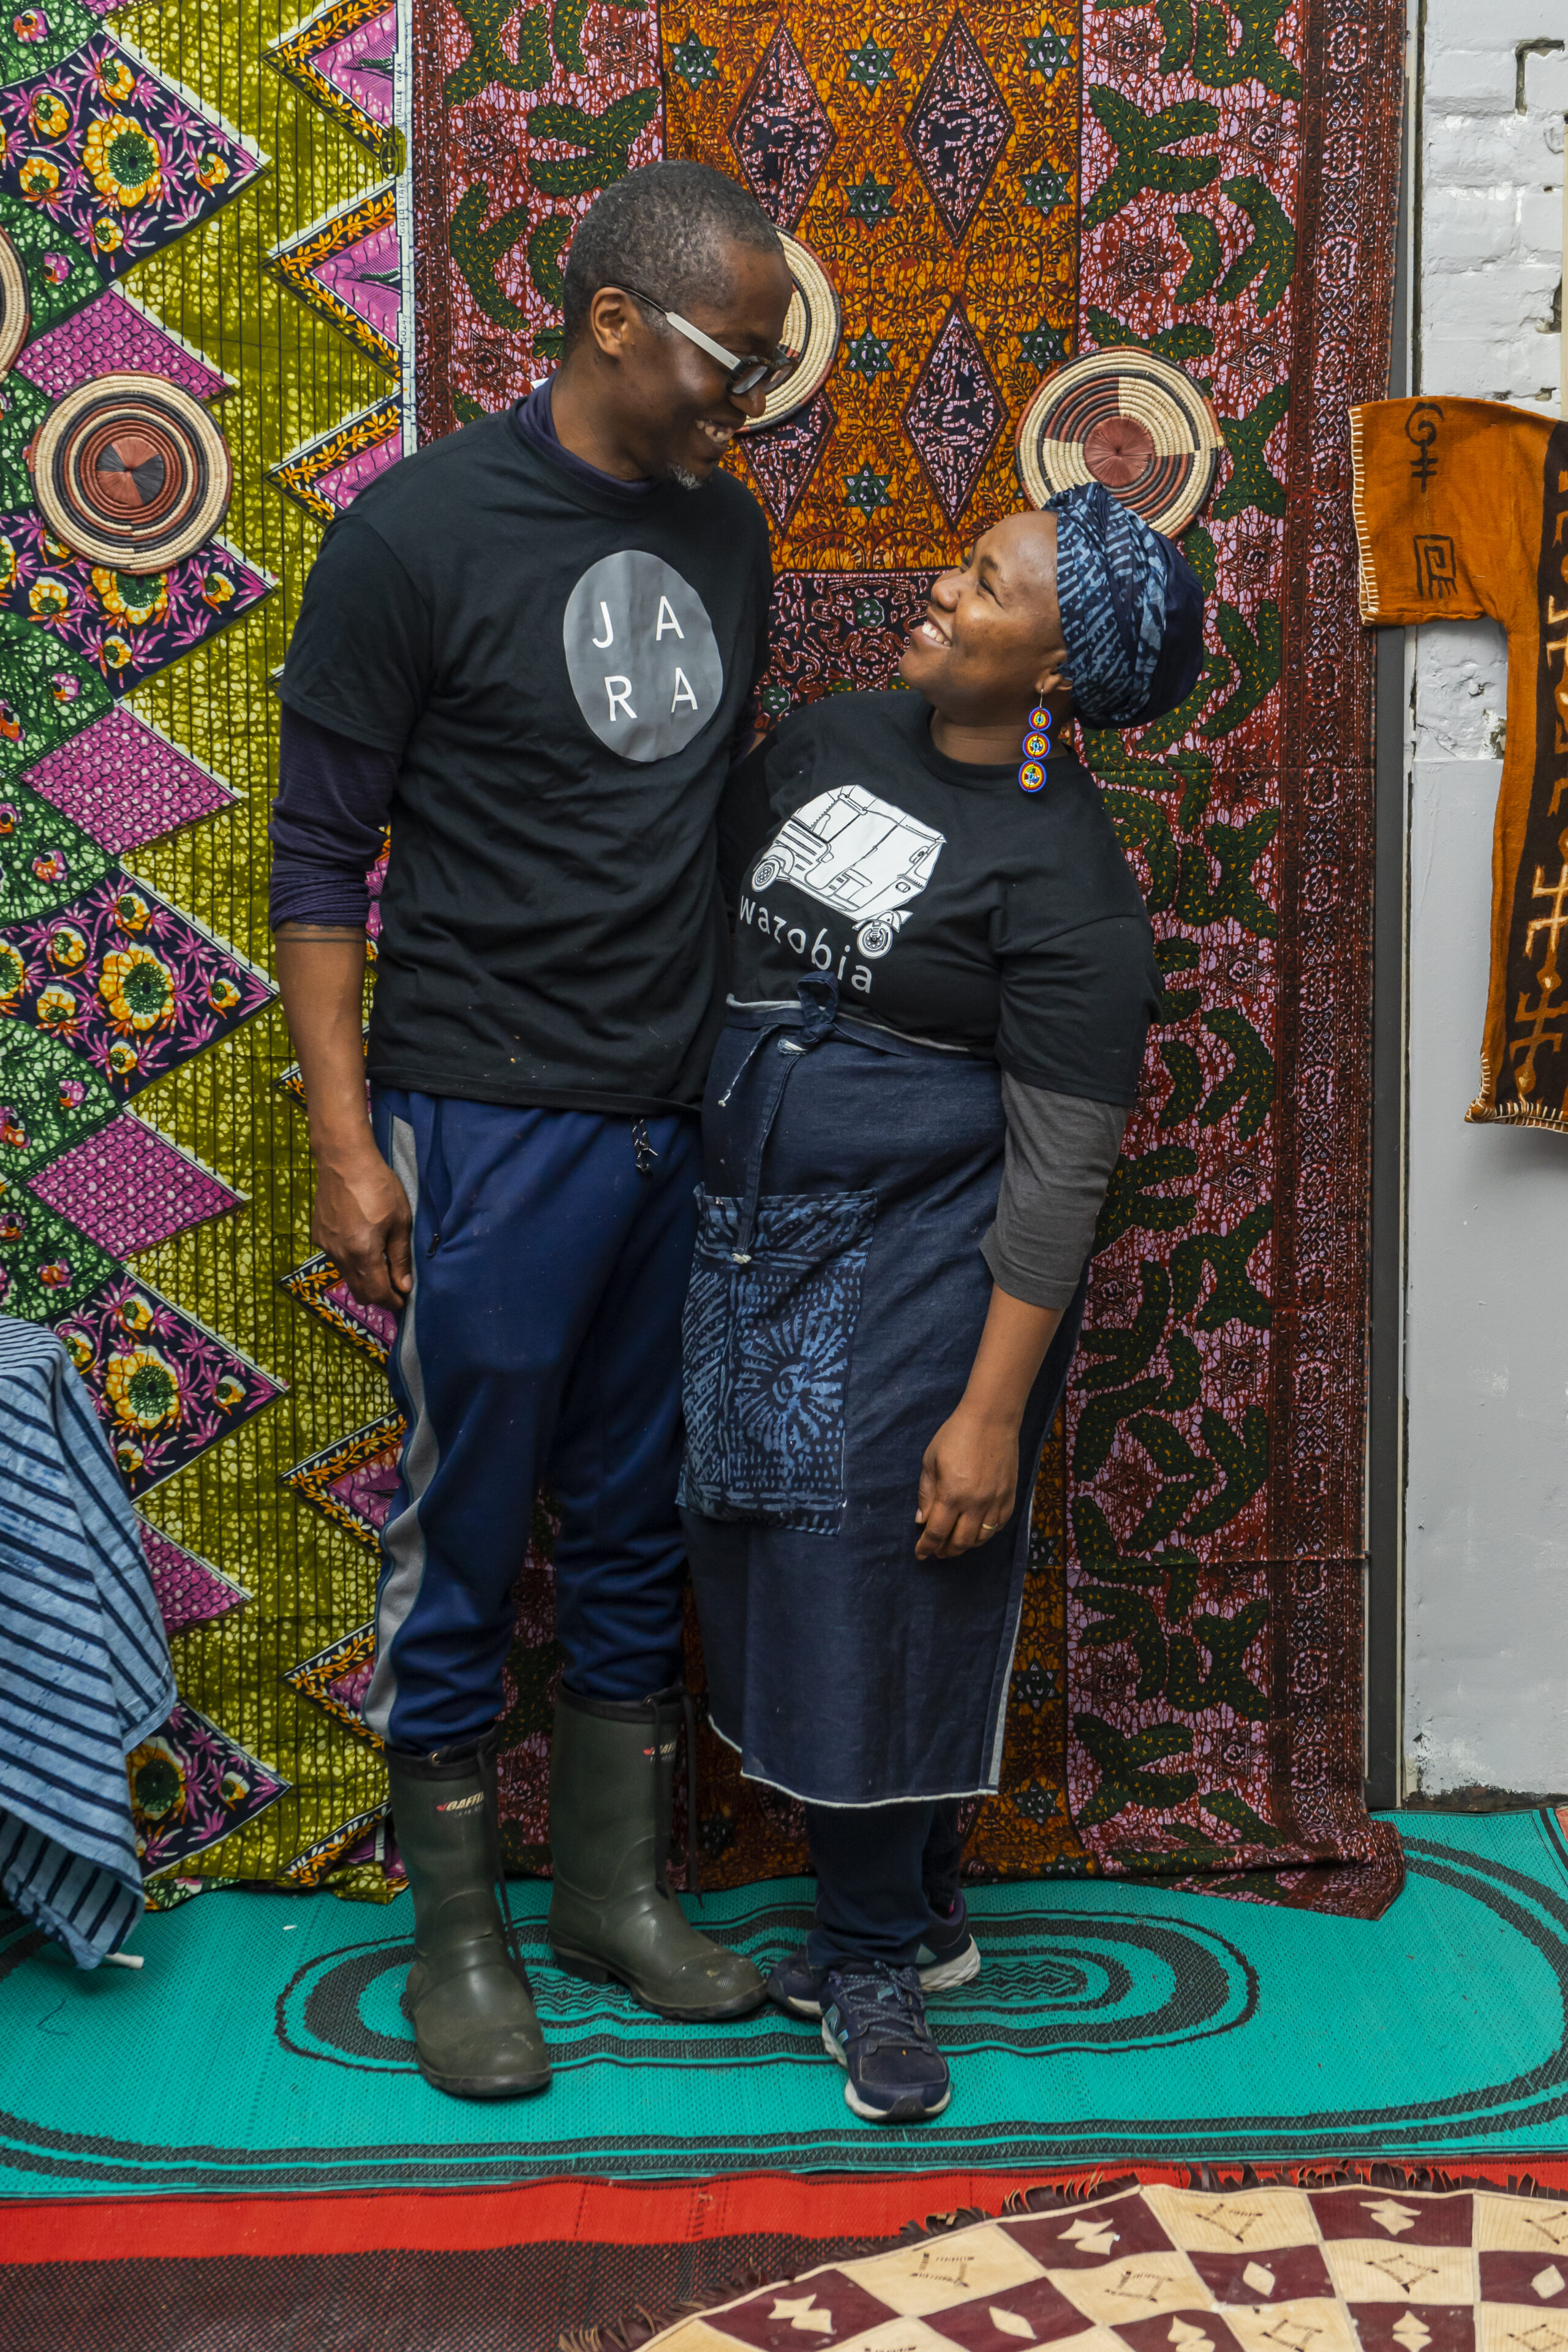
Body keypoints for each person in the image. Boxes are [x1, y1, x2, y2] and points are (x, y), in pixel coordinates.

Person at [268, 160, 796, 2100]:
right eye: (729, 362)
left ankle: (611, 1894)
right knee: (467, 1529)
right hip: (483, 1117)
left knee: (641, 1525)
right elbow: (324, 856)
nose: (749, 404)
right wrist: (349, 1143)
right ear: (605, 321)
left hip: (677, 1120)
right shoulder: (412, 538)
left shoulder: (728, 536)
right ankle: (459, 1934)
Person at [683, 482, 1205, 2124]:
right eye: (967, 562)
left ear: (1056, 675)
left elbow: (1057, 1180)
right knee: (771, 1554)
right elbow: (712, 920)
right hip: (757, 1231)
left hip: (921, 1264)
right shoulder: (834, 736)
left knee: (884, 1577)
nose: (936, 588)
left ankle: (870, 1967)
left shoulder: (1071, 894)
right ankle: (918, 1905)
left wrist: (988, 1415)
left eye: (982, 587)